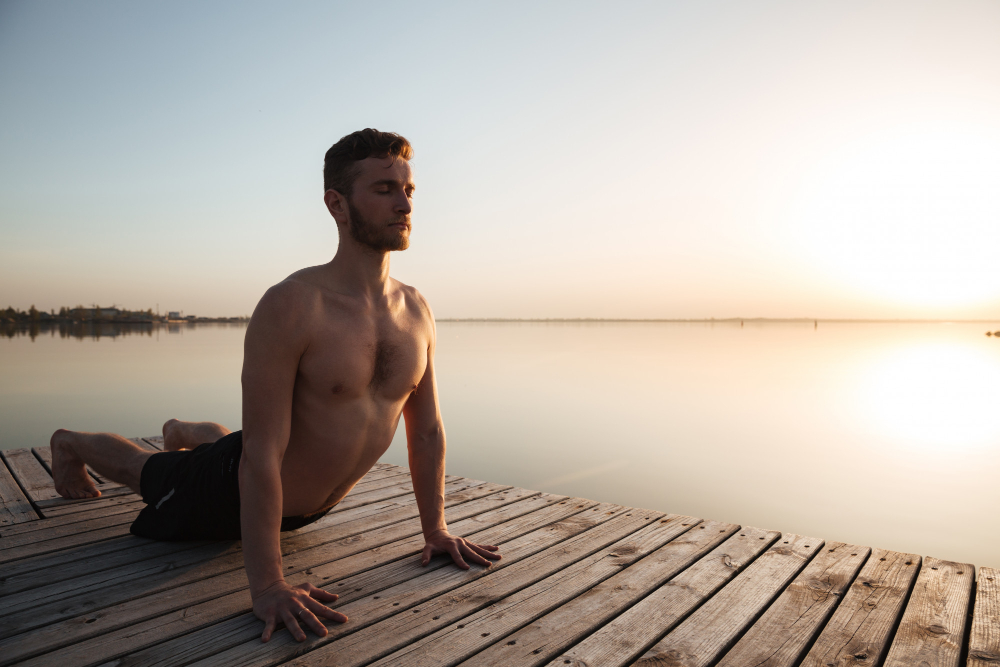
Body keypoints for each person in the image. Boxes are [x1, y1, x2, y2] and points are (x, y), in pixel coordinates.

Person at [49, 128, 500, 643]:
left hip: (308, 507)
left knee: (234, 442)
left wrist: (436, 530)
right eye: (383, 190)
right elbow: (260, 456)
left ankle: (185, 429)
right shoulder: (293, 305)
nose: (404, 204)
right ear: (337, 203)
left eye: (409, 190)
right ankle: (71, 442)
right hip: (231, 489)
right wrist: (267, 585)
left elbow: (427, 433)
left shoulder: (417, 309)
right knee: (146, 471)